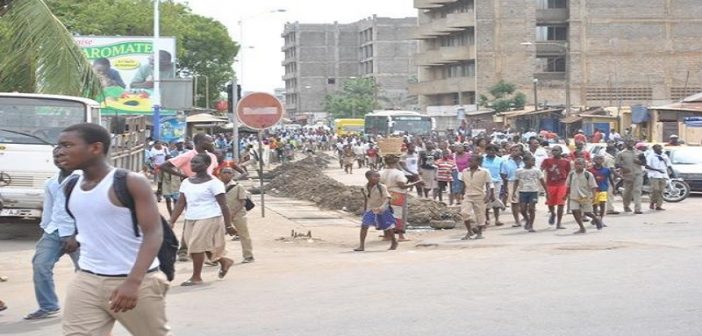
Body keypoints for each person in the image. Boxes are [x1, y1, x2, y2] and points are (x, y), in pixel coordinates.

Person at [57, 123, 170, 335]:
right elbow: (92, 220)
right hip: (87, 280)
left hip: (136, 280)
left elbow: (154, 233)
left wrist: (133, 282)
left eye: (67, 145)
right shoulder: (71, 185)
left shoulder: (131, 182)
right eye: (59, 146)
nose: (60, 151)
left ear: (96, 148)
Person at [25, 148, 80, 320]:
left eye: (64, 155)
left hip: (78, 233)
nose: (59, 159)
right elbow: (48, 208)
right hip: (54, 230)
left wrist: (76, 235)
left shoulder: (83, 180)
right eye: (56, 156)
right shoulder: (50, 182)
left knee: (86, 272)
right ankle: (48, 306)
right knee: (40, 265)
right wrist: (45, 228)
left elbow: (89, 211)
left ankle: (90, 308)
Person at [169, 153, 236, 286]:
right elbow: (180, 203)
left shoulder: (215, 183)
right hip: (191, 217)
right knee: (197, 247)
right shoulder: (186, 182)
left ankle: (196, 277)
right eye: (192, 162)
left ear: (206, 165)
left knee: (196, 246)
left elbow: (224, 205)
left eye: (196, 163)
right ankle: (224, 261)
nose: (192, 165)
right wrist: (171, 221)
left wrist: (228, 225)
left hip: (209, 216)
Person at [380, 154, 422, 242]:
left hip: (385, 194)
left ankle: (387, 235)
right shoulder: (398, 173)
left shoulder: (381, 172)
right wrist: (417, 182)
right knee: (399, 215)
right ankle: (401, 236)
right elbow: (402, 186)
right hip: (398, 195)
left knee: (386, 214)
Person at [355, 170, 398, 251]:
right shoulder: (364, 188)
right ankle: (361, 245)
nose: (378, 178)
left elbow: (387, 198)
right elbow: (366, 199)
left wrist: (382, 207)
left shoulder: (382, 187)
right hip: (370, 208)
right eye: (375, 176)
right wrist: (365, 211)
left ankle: (394, 241)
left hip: (383, 209)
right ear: (368, 178)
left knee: (388, 226)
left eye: (378, 176)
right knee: (364, 225)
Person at [220, 167, 255, 263]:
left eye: (229, 172)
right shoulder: (217, 186)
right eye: (224, 172)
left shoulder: (238, 186)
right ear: (220, 174)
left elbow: (242, 202)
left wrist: (233, 213)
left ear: (232, 175)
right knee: (218, 236)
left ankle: (248, 256)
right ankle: (217, 257)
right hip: (222, 215)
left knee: (244, 235)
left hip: (239, 214)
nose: (226, 174)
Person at [565, 158, 604, 234]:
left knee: (587, 212)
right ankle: (582, 227)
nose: (578, 166)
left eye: (580, 164)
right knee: (574, 211)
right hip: (574, 196)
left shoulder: (588, 174)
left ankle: (596, 218)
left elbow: (593, 186)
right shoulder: (571, 174)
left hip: (585, 196)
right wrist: (566, 195)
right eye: (576, 164)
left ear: (584, 165)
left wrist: (594, 196)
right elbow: (568, 185)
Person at [460, 154, 493, 240]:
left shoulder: (484, 171)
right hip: (468, 195)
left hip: (479, 195)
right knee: (464, 213)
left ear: (478, 162)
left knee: (480, 214)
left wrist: (488, 195)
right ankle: (470, 231)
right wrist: (461, 194)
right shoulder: (465, 171)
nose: (469, 163)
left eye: (472, 161)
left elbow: (488, 184)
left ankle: (480, 233)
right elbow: (463, 184)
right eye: (469, 161)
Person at [514, 155, 548, 232]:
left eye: (533, 160)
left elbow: (542, 181)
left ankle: (531, 225)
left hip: (533, 191)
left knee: (532, 209)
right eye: (531, 160)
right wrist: (514, 192)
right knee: (522, 209)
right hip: (523, 191)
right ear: (525, 161)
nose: (533, 162)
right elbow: (516, 181)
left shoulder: (537, 170)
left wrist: (546, 191)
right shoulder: (519, 171)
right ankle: (527, 220)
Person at [541, 145, 571, 229]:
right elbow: (541, 169)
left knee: (561, 204)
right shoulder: (547, 160)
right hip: (550, 184)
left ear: (561, 151)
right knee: (550, 203)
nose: (554, 152)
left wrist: (569, 185)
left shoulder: (566, 162)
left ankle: (559, 223)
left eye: (556, 150)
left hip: (562, 184)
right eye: (553, 150)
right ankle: (553, 213)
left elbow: (569, 173)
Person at [616, 140, 644, 214]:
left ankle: (637, 208)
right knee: (627, 191)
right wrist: (623, 168)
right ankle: (626, 205)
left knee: (637, 190)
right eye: (628, 142)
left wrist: (639, 162)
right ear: (625, 143)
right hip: (628, 174)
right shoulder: (621, 153)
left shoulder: (639, 152)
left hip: (638, 173)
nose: (630, 143)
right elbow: (617, 164)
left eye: (632, 142)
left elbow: (644, 162)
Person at [501, 145, 524, 227]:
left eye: (516, 150)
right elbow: (503, 174)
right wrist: (505, 187)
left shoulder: (524, 160)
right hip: (512, 182)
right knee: (514, 202)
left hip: (524, 182)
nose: (514, 152)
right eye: (512, 150)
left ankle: (525, 216)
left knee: (524, 202)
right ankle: (517, 220)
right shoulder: (506, 162)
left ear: (520, 151)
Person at [482, 144, 505, 226]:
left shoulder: (500, 160)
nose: (491, 152)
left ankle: (497, 219)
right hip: (485, 182)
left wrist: (504, 184)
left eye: (493, 150)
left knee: (495, 200)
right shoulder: (482, 159)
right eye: (489, 150)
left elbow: (502, 172)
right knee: (486, 200)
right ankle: (487, 218)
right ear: (486, 151)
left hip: (496, 181)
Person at [645, 144, 673, 211]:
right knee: (655, 189)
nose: (660, 150)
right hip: (654, 175)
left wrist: (671, 172)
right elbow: (647, 166)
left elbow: (669, 165)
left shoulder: (664, 156)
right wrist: (657, 170)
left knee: (661, 191)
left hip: (663, 175)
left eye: (660, 148)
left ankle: (658, 206)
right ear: (654, 149)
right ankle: (652, 202)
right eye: (658, 149)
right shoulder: (650, 156)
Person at [589, 155, 616, 219]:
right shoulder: (590, 170)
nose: (599, 160)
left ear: (603, 160)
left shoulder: (606, 170)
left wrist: (614, 188)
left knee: (602, 204)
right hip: (594, 190)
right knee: (594, 205)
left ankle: (601, 219)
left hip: (603, 189)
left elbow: (611, 179)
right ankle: (595, 218)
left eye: (601, 159)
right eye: (597, 159)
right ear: (594, 160)